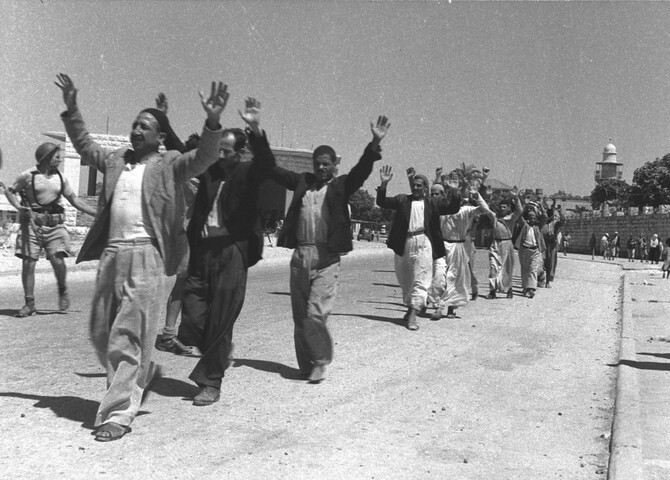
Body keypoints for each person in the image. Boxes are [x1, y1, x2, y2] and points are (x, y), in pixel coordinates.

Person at [55, 73, 228, 440]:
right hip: (112, 256)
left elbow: (203, 157)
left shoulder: (170, 164)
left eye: (144, 126)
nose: (135, 130)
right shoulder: (116, 159)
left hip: (146, 256)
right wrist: (72, 109)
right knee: (102, 332)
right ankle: (139, 373)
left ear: (160, 137)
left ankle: (117, 414)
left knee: (127, 335)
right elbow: (85, 146)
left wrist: (212, 122)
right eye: (134, 124)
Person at [269, 116, 389, 383]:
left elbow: (360, 172)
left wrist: (374, 142)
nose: (321, 168)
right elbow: (274, 171)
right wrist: (256, 133)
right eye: (317, 164)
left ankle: (321, 360)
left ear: (335, 166)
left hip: (326, 258)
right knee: (300, 316)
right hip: (300, 256)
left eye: (326, 164)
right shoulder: (302, 182)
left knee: (315, 313)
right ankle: (306, 365)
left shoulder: (340, 186)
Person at [177, 98, 277, 405]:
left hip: (232, 253)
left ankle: (211, 382)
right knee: (192, 315)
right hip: (203, 251)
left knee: (221, 320)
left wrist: (255, 127)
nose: (220, 155)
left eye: (227, 151)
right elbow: (179, 149)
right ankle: (217, 351)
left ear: (240, 153)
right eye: (218, 150)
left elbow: (266, 162)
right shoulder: (209, 172)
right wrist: (209, 120)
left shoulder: (247, 173)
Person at [5, 143, 96, 317]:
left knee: (58, 260)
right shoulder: (27, 175)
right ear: (46, 157)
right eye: (57, 156)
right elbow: (10, 191)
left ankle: (62, 289)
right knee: (28, 263)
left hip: (55, 226)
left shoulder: (61, 178)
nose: (60, 159)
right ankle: (29, 304)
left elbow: (74, 200)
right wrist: (19, 207)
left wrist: (95, 213)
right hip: (32, 225)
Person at [376, 166, 461, 330]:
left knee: (421, 278)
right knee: (405, 279)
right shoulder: (402, 200)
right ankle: (410, 307)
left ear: (425, 188)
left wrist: (455, 191)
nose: (415, 188)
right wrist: (384, 184)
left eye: (419, 186)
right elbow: (382, 202)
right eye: (414, 185)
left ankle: (413, 316)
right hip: (404, 243)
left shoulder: (432, 202)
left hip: (424, 243)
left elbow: (452, 207)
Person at [431, 186, 490, 320]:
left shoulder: (466, 210)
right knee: (439, 275)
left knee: (455, 277)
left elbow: (485, 209)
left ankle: (449, 308)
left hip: (457, 246)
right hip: (441, 245)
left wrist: (478, 196)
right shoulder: (442, 209)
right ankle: (438, 303)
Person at [485, 190, 523, 299]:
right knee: (493, 267)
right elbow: (485, 209)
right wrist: (479, 196)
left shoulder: (511, 218)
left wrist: (516, 198)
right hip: (495, 244)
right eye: (500, 207)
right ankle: (492, 291)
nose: (502, 208)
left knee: (507, 268)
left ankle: (509, 289)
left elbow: (519, 210)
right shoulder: (494, 217)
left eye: (504, 207)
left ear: (509, 208)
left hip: (507, 244)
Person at [515, 205, 546, 299]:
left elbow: (545, 217)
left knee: (533, 269)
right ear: (527, 219)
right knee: (525, 269)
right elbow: (519, 217)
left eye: (534, 218)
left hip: (535, 250)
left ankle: (531, 288)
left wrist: (541, 206)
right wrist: (525, 208)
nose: (532, 220)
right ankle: (525, 287)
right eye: (530, 218)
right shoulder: (525, 225)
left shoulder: (538, 227)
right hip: (524, 250)